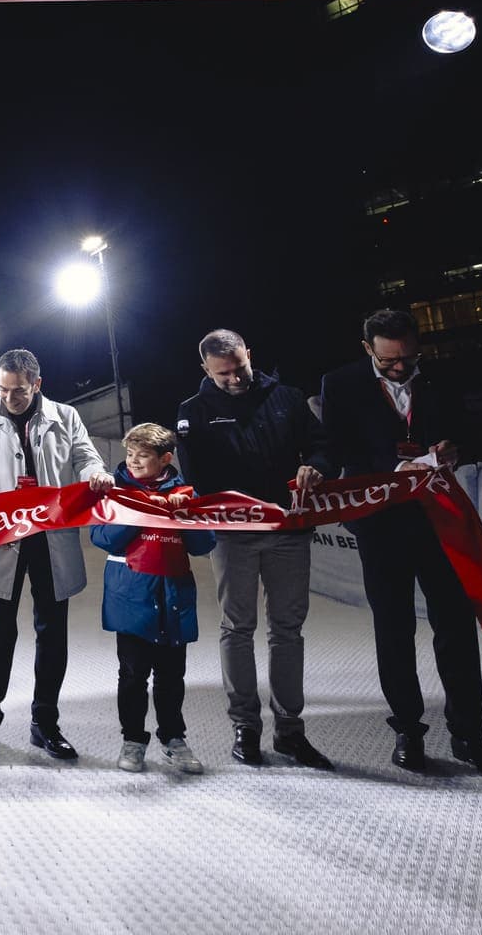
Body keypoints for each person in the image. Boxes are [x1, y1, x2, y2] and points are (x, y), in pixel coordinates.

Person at [320, 309, 482, 780]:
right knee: (394, 629)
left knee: (456, 627)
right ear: (367, 348)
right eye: (389, 361)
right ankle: (408, 732)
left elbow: (473, 431)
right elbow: (337, 448)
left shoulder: (442, 377)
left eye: (408, 358)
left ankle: (469, 737)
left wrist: (455, 448)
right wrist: (392, 468)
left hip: (440, 521)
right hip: (379, 522)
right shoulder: (340, 383)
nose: (400, 367)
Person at [175, 328, 337, 770]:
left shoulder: (288, 398)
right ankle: (245, 727)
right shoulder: (193, 411)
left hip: (288, 530)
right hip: (233, 536)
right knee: (237, 627)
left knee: (287, 629)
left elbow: (323, 447)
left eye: (240, 369)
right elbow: (196, 479)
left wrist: (315, 466)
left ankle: (290, 730)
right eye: (223, 374)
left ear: (249, 354)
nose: (234, 379)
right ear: (205, 369)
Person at [0, 348, 111, 761]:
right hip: (5, 540)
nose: (10, 398)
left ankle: (45, 723)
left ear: (37, 384)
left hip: (51, 538)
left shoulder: (66, 416)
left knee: (52, 631)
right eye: (3, 390)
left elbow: (85, 457)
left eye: (19, 391)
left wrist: (95, 474)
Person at [90, 424, 216, 775]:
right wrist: (143, 511)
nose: (133, 461)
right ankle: (133, 739)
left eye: (143, 456)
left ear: (165, 459)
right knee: (133, 674)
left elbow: (204, 545)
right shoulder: (116, 493)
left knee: (171, 676)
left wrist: (185, 515)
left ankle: (174, 738)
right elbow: (102, 537)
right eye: (130, 454)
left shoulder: (186, 493)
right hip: (130, 598)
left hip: (173, 597)